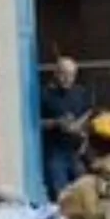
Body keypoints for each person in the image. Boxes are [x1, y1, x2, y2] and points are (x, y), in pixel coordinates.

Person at [41, 57, 93, 201]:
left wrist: (80, 127)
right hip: (55, 153)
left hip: (77, 152)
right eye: (63, 74)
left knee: (83, 195)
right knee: (61, 197)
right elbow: (33, 124)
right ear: (56, 73)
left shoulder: (80, 92)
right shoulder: (44, 94)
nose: (67, 78)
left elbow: (89, 114)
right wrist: (56, 123)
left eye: (71, 75)